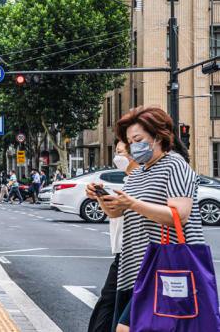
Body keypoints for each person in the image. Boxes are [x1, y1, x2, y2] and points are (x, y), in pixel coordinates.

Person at [87, 106, 204, 332]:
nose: (133, 147)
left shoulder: (175, 165)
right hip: (134, 265)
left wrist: (131, 203)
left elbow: (179, 215)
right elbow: (118, 213)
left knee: (127, 328)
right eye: (130, 142)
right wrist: (101, 198)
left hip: (166, 265)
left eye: (138, 139)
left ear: (159, 137)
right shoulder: (138, 173)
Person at [86, 139, 138, 332]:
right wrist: (99, 196)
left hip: (138, 253)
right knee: (111, 301)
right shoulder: (129, 180)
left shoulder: (144, 179)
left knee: (113, 304)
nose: (117, 157)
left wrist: (128, 203)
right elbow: (114, 212)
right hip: (124, 252)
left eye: (120, 152)